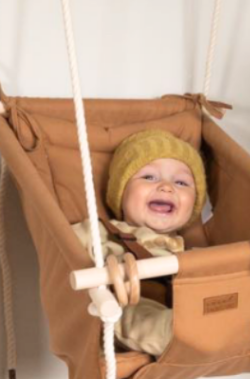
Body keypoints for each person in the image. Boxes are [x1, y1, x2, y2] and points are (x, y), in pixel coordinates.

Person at [72, 129, 206, 357]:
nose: (167, 187)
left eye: (182, 182)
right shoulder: (102, 231)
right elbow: (63, 242)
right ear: (122, 194)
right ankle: (180, 336)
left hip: (182, 305)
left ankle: (213, 328)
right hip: (127, 304)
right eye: (149, 177)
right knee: (136, 316)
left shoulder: (190, 250)